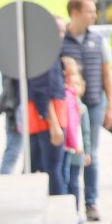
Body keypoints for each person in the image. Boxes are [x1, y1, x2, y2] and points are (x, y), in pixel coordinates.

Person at [59, 0, 112, 218]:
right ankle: (70, 203)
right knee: (72, 155)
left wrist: (111, 106)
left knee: (91, 153)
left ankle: (91, 202)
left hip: (93, 104)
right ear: (75, 13)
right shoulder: (61, 41)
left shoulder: (99, 40)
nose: (94, 15)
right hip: (68, 108)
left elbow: (107, 76)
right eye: (89, 11)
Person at [25, 49, 66, 195]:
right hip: (48, 119)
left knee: (46, 167)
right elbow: (42, 91)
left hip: (46, 117)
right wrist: (54, 124)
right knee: (53, 169)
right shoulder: (45, 56)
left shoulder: (45, 54)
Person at [61, 57, 91, 219]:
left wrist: (87, 151)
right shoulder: (66, 101)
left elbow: (85, 132)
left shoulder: (82, 108)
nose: (74, 86)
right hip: (68, 148)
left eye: (77, 83)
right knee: (66, 180)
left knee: (74, 182)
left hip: (77, 152)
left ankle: (76, 211)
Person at [0, 75, 24, 174]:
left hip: (15, 110)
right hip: (16, 112)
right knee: (13, 151)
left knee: (14, 150)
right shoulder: (14, 72)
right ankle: (5, 180)